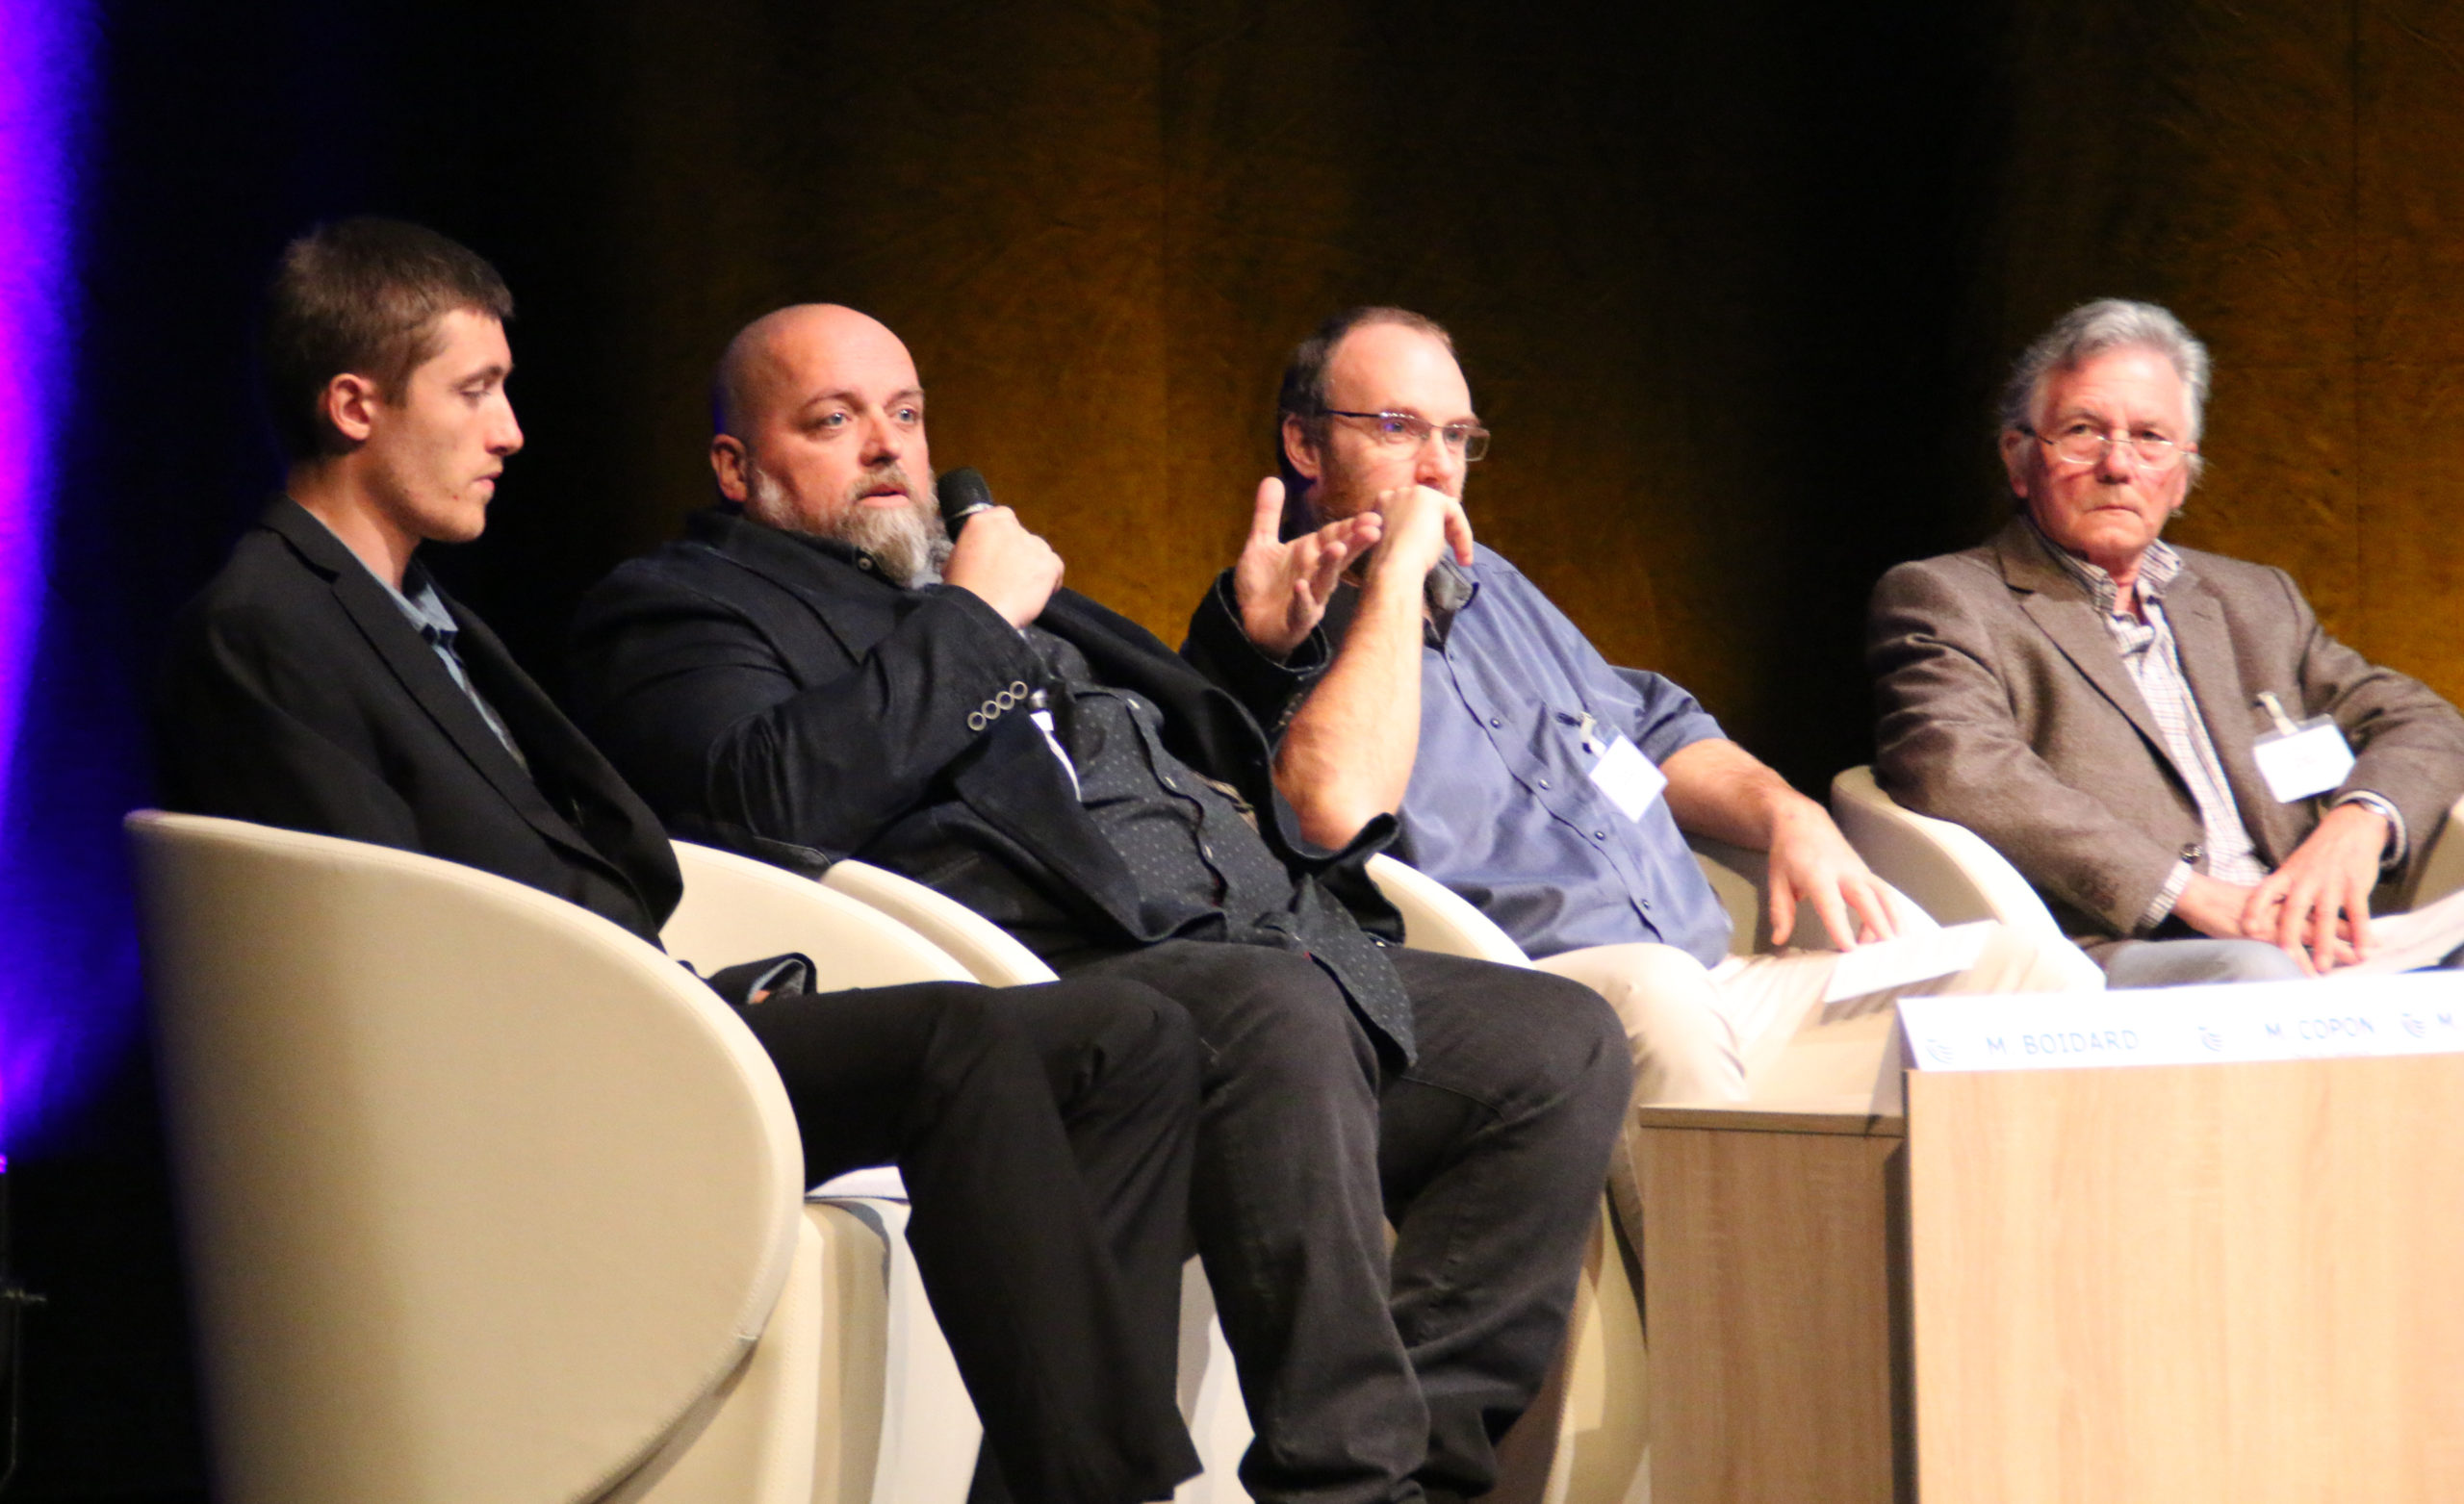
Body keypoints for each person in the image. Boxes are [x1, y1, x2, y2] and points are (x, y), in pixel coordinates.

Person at [155, 219, 1204, 1504]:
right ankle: (1101, 1485)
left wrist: (700, 984)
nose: (511, 433)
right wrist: (652, 1002)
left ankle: (1061, 1472)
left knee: (1134, 1037)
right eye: (476, 390)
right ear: (355, 402)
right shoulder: (264, 624)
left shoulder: (433, 617)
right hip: (534, 1061)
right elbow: (382, 934)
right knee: (962, 1045)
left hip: (644, 1008)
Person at [565, 302, 1631, 1504]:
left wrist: (1252, 645)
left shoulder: (964, 574)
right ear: (736, 466)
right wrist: (968, 624)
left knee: (1559, 1044)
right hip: (1059, 980)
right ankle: (1343, 1481)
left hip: (1249, 939)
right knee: (1277, 1011)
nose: (887, 447)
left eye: (905, 415)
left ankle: (1425, 1474)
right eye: (835, 419)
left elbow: (1147, 756)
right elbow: (763, 793)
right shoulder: (689, 602)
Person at [1181, 306, 2097, 1137]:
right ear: (1305, 445)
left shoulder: (1491, 586)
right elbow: (1330, 812)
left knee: (2028, 976)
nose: (1436, 466)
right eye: (1397, 428)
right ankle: (1729, 1316)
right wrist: (1397, 571)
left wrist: (1787, 811)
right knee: (1659, 995)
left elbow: (1651, 727)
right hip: (1538, 999)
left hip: (1720, 982)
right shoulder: (1268, 632)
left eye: (1457, 436)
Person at [1868, 297, 2464, 983]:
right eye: (2084, 431)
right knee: (2257, 974)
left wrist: (2357, 827)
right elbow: (1960, 769)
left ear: (2182, 473)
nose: (2118, 465)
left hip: (2311, 936)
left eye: (2151, 437)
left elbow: (2423, 721)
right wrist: (2198, 896)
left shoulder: (2253, 599)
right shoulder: (1946, 597)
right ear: (2021, 458)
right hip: (2115, 949)